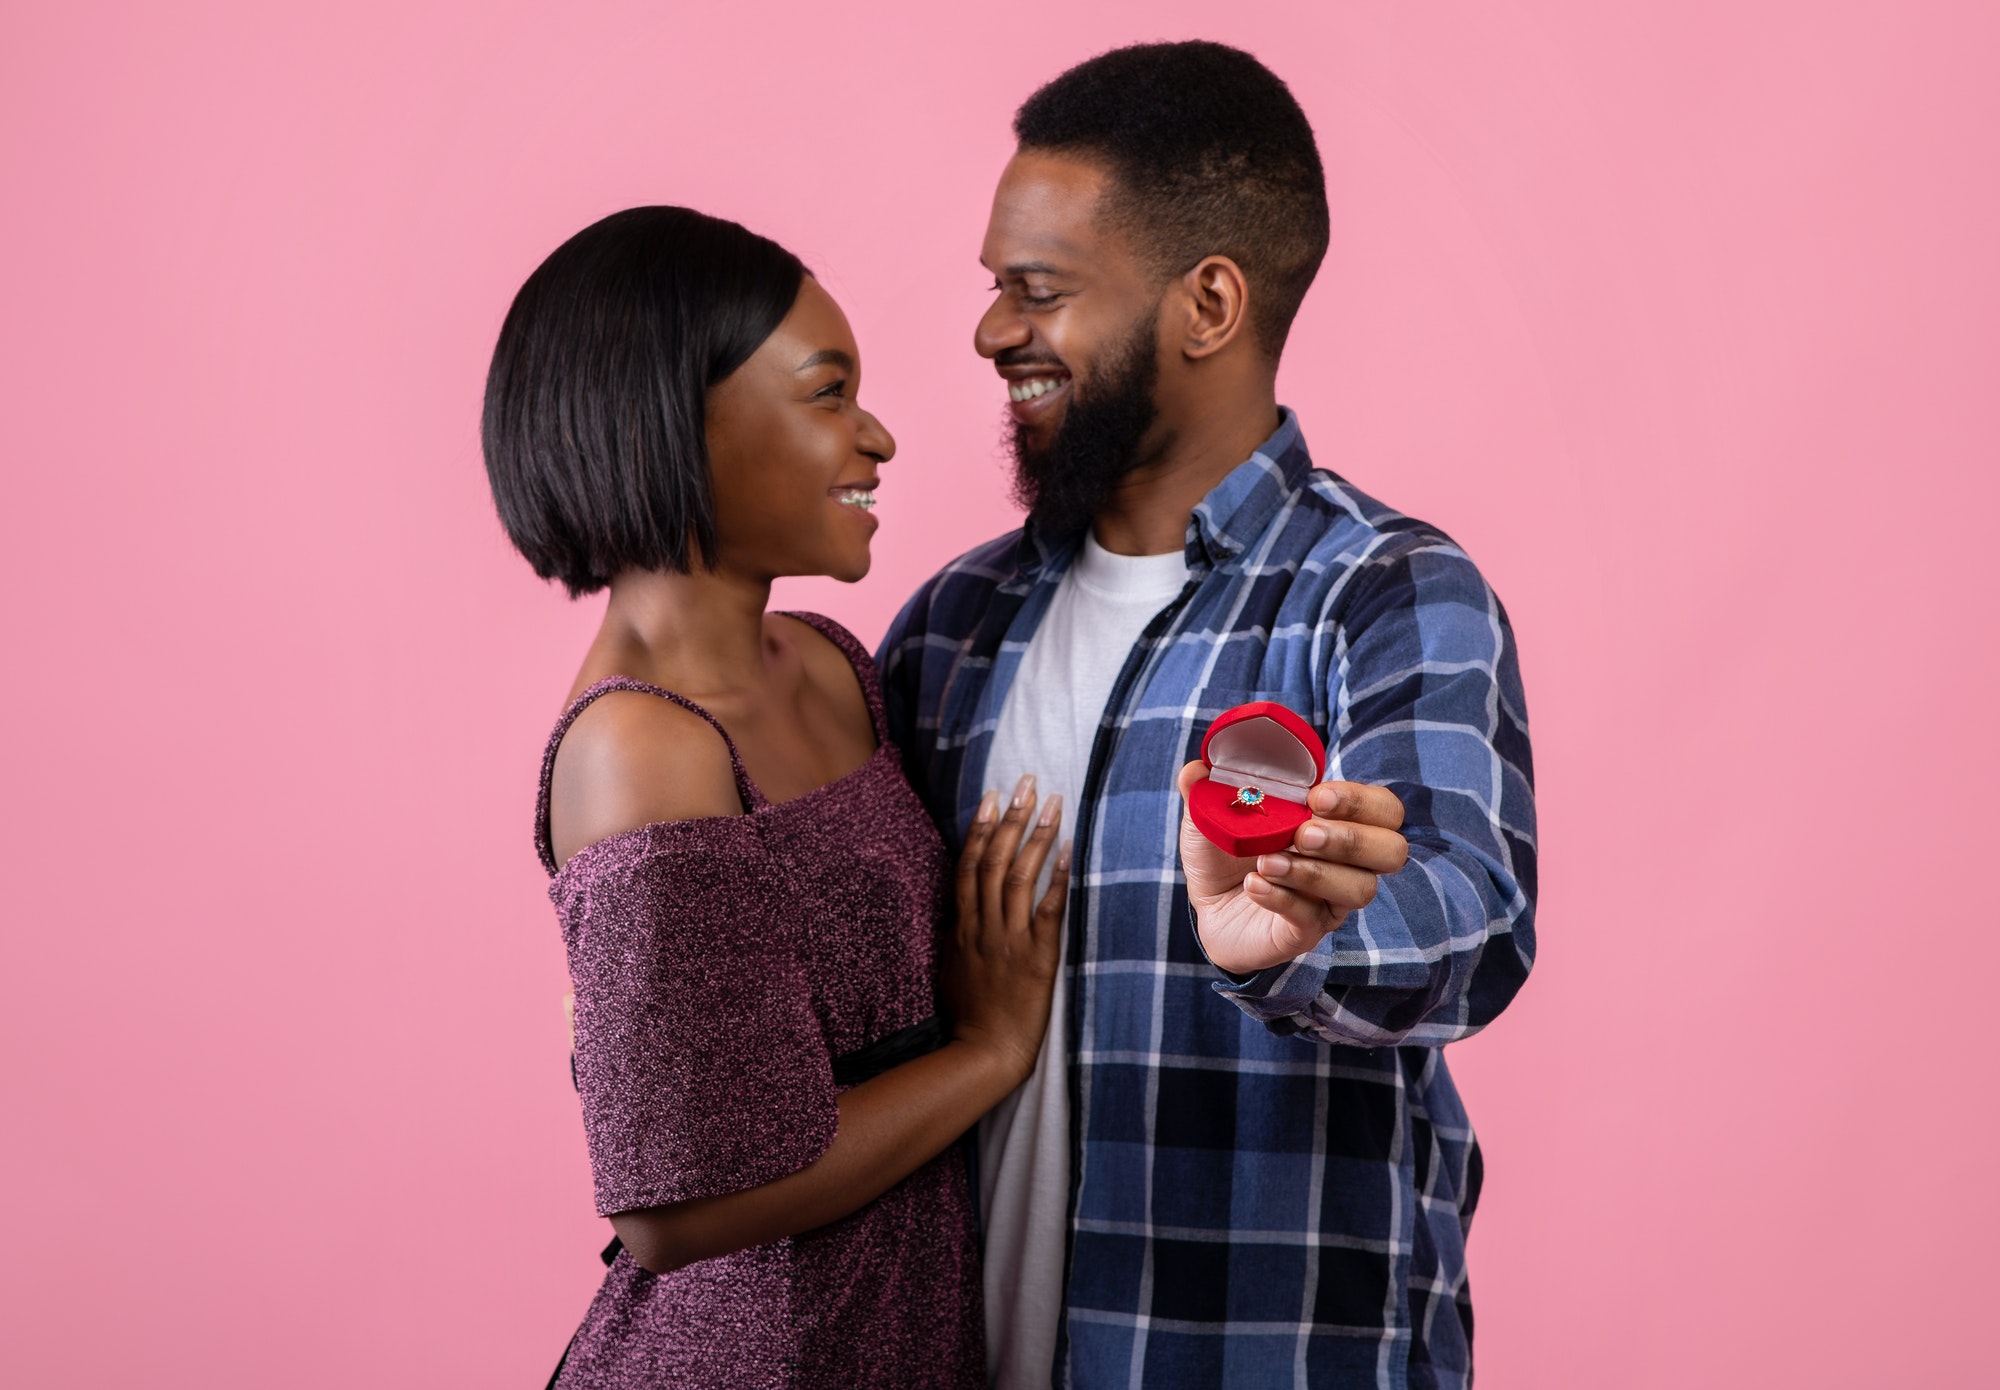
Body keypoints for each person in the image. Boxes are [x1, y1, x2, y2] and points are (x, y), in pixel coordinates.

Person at [879, 43, 1537, 1390]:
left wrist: (1301, 931)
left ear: (1211, 302)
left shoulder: (1387, 594)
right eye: (997, 287)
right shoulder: (950, 630)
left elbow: (1474, 917)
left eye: (1039, 290)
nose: (993, 329)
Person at [483, 206, 1070, 1389]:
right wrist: (992, 1046)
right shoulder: (640, 749)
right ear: (673, 423)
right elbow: (678, 1208)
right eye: (824, 393)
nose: (878, 436)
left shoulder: (828, 659)